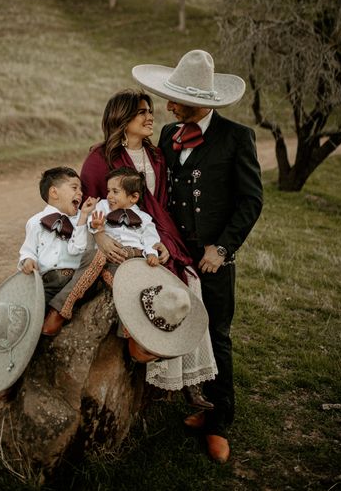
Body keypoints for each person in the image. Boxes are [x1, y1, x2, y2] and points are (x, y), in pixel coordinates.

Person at [132, 49, 263, 463]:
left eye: (175, 100)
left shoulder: (236, 137)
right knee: (175, 326)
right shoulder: (171, 135)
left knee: (217, 334)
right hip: (176, 255)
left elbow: (250, 201)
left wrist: (222, 248)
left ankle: (219, 421)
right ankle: (185, 399)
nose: (168, 107)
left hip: (212, 259)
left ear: (201, 101)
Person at [80, 89, 217, 405]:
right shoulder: (100, 159)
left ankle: (187, 377)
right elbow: (86, 206)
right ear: (122, 118)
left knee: (190, 281)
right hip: (112, 238)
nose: (150, 116)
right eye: (142, 111)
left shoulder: (157, 156)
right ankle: (152, 361)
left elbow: (160, 208)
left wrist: (163, 243)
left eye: (150, 111)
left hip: (151, 235)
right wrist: (100, 237)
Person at [18, 166, 99, 336]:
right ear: (54, 193)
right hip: (48, 283)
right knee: (27, 320)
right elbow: (28, 250)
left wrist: (83, 219)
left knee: (95, 255)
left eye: (81, 189)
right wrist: (27, 259)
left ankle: (59, 311)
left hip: (76, 280)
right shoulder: (35, 222)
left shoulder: (83, 220)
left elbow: (78, 249)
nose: (80, 193)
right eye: (74, 188)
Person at [89, 167, 161, 272]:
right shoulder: (103, 206)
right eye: (108, 191)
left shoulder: (144, 217)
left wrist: (151, 253)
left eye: (115, 191)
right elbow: (92, 217)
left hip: (134, 258)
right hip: (109, 255)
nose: (109, 196)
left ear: (134, 197)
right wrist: (94, 224)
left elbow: (150, 237)